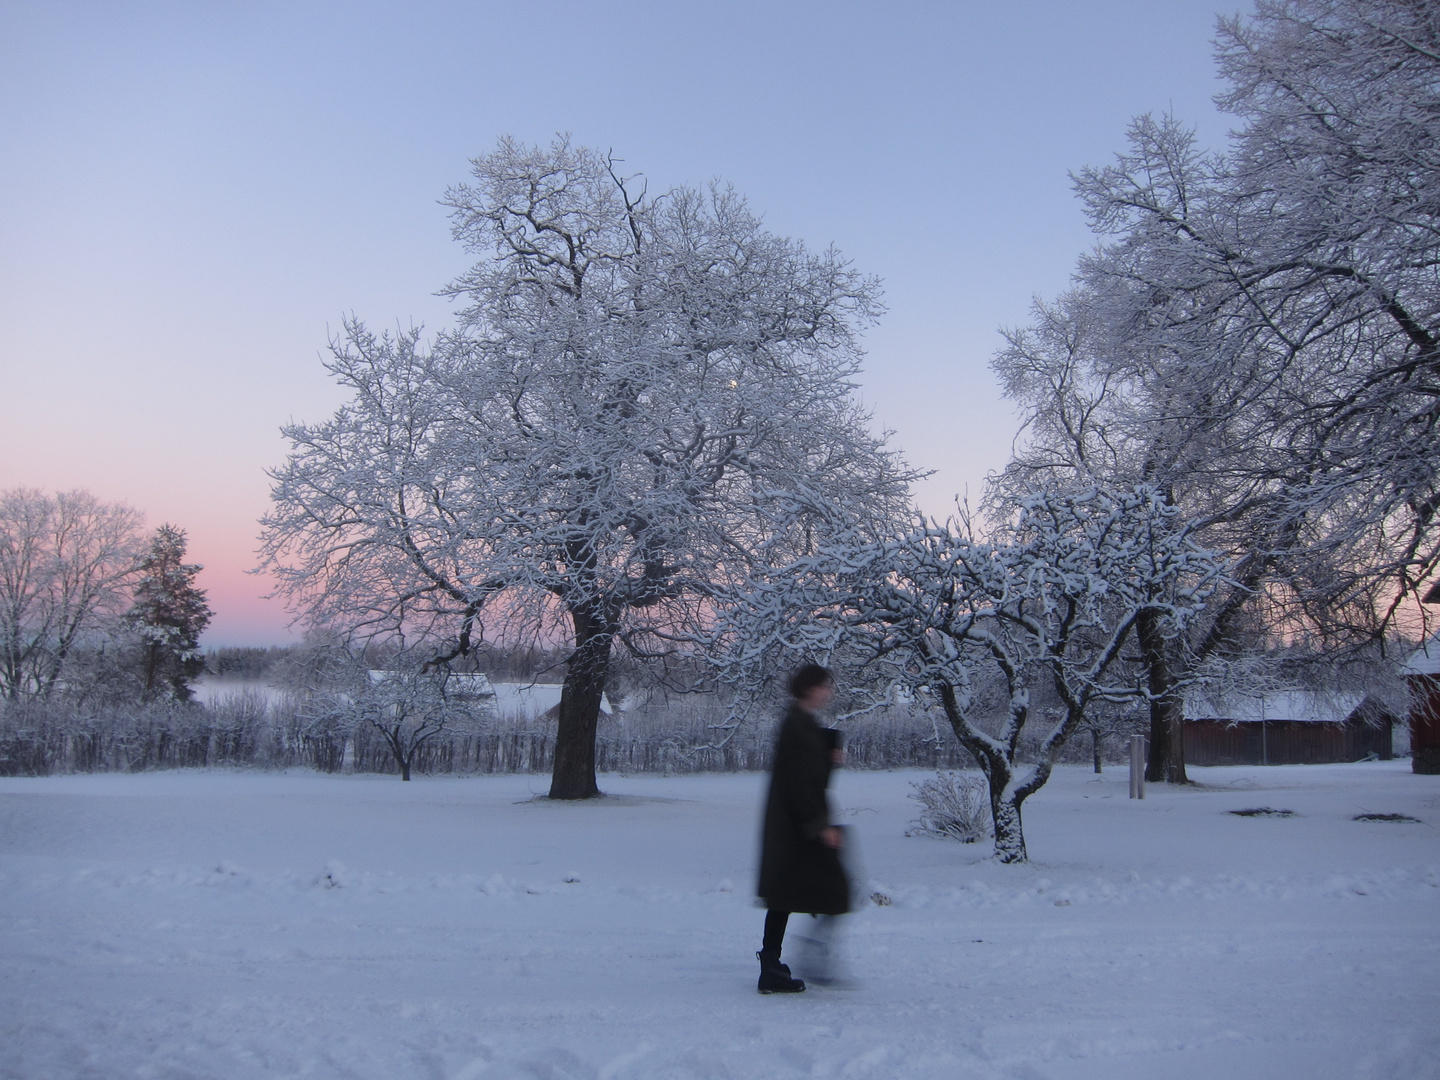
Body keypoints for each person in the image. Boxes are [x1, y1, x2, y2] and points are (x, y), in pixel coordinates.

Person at [755, 663, 850, 994]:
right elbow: (801, 784)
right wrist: (821, 826)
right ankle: (807, 957)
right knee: (835, 889)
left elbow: (815, 779)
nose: (830, 692)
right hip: (797, 828)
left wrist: (830, 753)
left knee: (784, 896)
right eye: (826, 686)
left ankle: (772, 966)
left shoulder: (804, 723)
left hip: (795, 828)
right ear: (810, 688)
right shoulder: (796, 725)